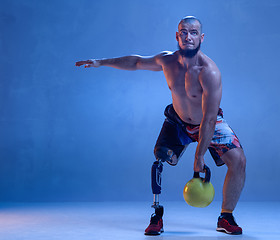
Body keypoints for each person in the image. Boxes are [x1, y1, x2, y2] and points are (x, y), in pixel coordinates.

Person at [75, 16, 246, 235]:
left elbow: (210, 119)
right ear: (177, 35)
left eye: (193, 32)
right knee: (159, 161)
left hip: (208, 122)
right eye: (183, 32)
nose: (188, 36)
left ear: (201, 37)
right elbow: (136, 62)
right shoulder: (168, 61)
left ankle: (226, 217)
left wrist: (199, 156)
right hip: (178, 121)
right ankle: (156, 215)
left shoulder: (209, 72)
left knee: (239, 160)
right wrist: (101, 62)